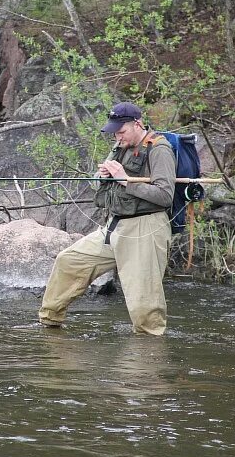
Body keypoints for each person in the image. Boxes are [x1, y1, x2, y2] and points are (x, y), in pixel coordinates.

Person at [38, 102, 176, 335]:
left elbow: (165, 195)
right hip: (115, 227)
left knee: (144, 306)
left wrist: (125, 180)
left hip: (146, 227)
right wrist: (101, 177)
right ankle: (49, 324)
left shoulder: (159, 149)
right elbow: (96, 184)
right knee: (68, 262)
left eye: (121, 131)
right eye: (114, 131)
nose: (117, 136)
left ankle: (149, 357)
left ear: (137, 124)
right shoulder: (119, 146)